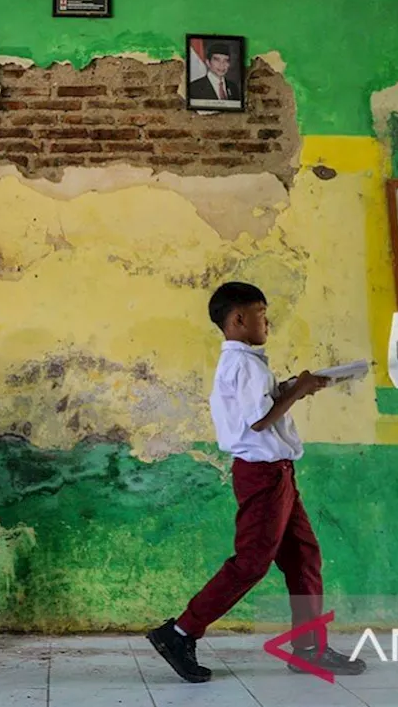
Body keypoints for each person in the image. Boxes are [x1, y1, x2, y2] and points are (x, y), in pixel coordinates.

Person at [146, 282, 366, 683]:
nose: (268, 320)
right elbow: (258, 421)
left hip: (277, 473)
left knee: (303, 557)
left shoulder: (247, 362)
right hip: (263, 475)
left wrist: (291, 388)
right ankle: (179, 633)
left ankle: (309, 648)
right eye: (262, 312)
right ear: (238, 319)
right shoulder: (243, 363)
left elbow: (261, 407)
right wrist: (297, 391)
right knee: (250, 563)